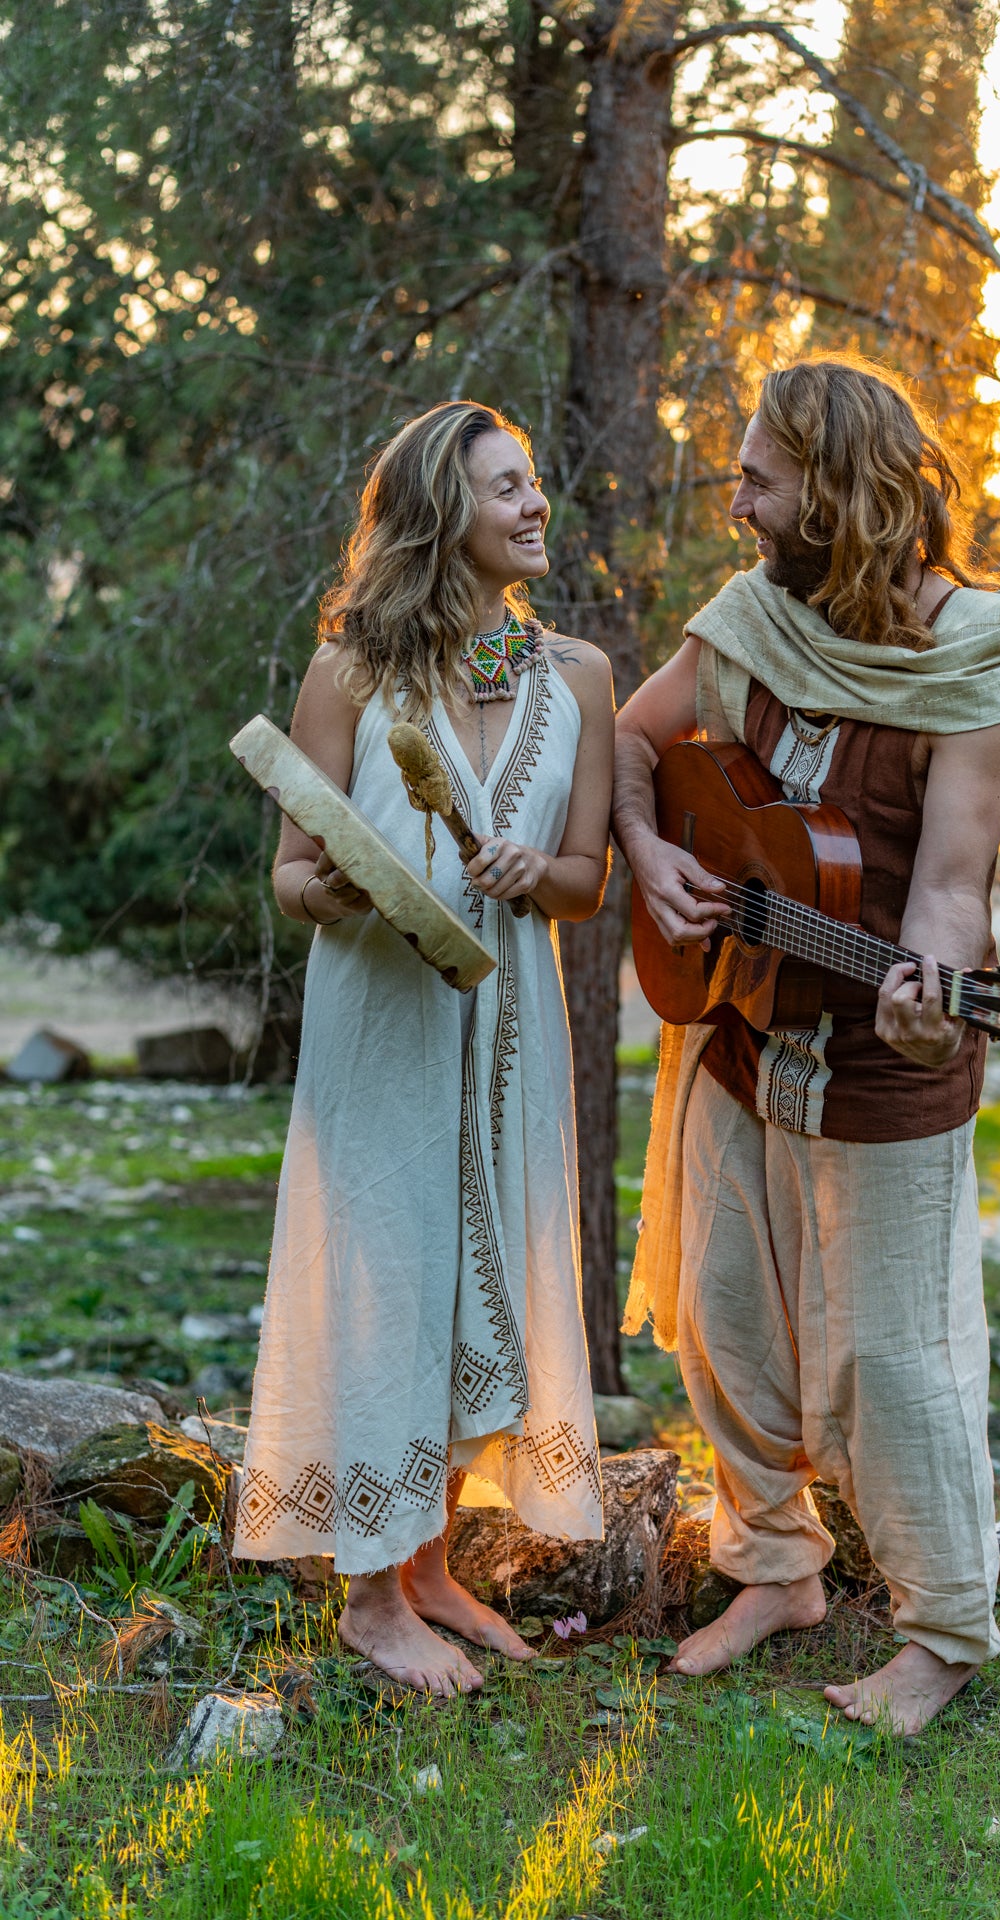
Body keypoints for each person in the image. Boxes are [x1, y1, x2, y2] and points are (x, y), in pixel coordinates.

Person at [613, 358, 1000, 1735]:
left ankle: (945, 1629)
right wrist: (647, 856)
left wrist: (936, 986)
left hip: (882, 1056)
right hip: (741, 1024)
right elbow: (632, 739)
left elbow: (953, 887)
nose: (734, 498)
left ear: (838, 491)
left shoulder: (975, 657)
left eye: (759, 478)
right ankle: (776, 1569)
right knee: (728, 1316)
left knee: (888, 1359)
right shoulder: (747, 619)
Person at [234, 401, 614, 1697]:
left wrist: (536, 865)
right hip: (381, 1030)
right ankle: (369, 1599)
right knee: (385, 1277)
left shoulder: (582, 679)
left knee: (483, 1275)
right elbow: (289, 871)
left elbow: (585, 882)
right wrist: (348, 887)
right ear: (442, 516)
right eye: (507, 488)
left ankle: (432, 1563)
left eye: (533, 481)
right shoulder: (350, 673)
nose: (535, 504)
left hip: (515, 1030)